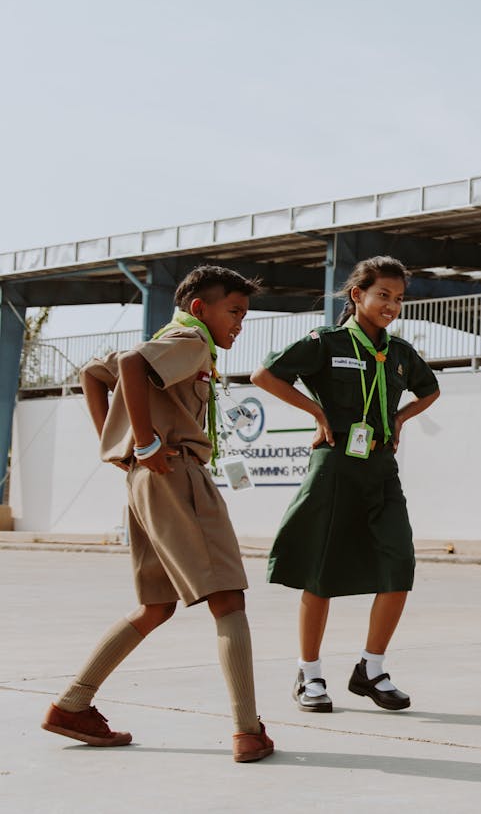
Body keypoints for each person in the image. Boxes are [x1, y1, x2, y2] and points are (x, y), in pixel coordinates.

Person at [42, 265, 274, 763]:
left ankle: (73, 704)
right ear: (199, 309)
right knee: (228, 598)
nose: (239, 324)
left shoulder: (168, 338)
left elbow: (92, 372)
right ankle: (248, 731)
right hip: (177, 473)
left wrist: (119, 446)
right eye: (234, 311)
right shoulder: (191, 341)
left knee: (156, 605)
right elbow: (126, 364)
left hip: (146, 480)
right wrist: (143, 442)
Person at [251, 256, 440, 713]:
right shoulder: (327, 342)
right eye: (383, 296)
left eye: (398, 298)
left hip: (380, 468)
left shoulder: (398, 354)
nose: (392, 306)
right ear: (358, 295)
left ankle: (371, 669)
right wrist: (316, 412)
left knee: (399, 566)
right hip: (336, 466)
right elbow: (265, 375)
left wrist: (400, 418)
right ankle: (309, 673)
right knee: (321, 572)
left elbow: (430, 390)